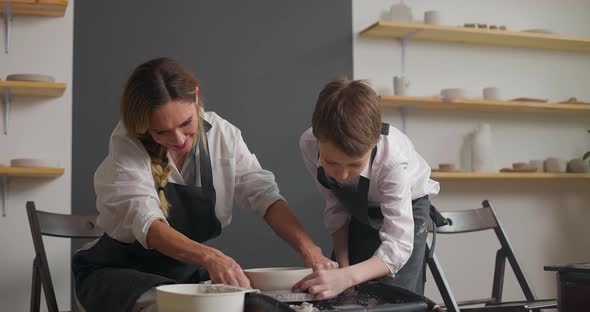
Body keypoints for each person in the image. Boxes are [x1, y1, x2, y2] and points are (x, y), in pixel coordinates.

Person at [72, 57, 337, 312]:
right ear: (143, 126)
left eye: (186, 123)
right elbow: (148, 224)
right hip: (119, 275)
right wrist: (210, 257)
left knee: (251, 304)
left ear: (196, 97)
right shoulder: (127, 144)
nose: (179, 139)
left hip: (185, 275)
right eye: (161, 131)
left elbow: (264, 196)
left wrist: (310, 249)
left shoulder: (222, 135)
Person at [294, 79, 440, 299]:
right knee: (343, 296)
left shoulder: (392, 159)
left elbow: (398, 245)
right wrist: (344, 270)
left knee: (392, 298)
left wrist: (347, 277)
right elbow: (336, 207)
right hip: (357, 209)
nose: (342, 176)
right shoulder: (309, 144)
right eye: (331, 162)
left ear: (373, 144)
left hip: (408, 205)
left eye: (354, 164)